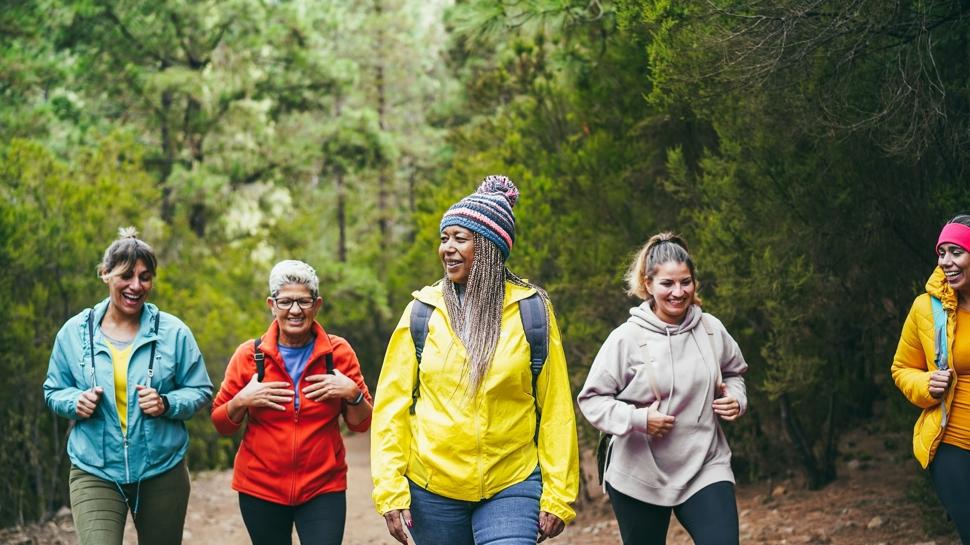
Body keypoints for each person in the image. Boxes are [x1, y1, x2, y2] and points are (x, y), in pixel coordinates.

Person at [371, 175, 579, 545]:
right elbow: (391, 408)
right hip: (433, 486)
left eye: (459, 238)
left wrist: (559, 494)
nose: (447, 248)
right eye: (444, 238)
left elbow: (556, 408)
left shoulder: (531, 311)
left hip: (511, 480)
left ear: (488, 247)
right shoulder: (423, 312)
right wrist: (390, 489)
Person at [43, 227, 213, 545]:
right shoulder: (74, 333)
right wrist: (74, 402)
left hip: (162, 470)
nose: (136, 286)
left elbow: (200, 389)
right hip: (95, 468)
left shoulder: (173, 332)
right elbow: (53, 390)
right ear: (105, 274)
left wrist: (167, 403)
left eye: (145, 277)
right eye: (126, 276)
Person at [577, 232, 748, 545]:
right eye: (667, 284)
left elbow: (734, 372)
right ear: (648, 284)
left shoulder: (711, 329)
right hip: (640, 473)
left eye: (686, 282)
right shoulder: (625, 338)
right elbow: (592, 399)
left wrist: (737, 399)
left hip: (704, 464)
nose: (678, 292)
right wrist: (639, 420)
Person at [211, 259, 372, 545]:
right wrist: (242, 400)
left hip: (323, 486)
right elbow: (221, 423)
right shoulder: (249, 356)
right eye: (285, 302)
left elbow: (363, 424)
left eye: (303, 302)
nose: (295, 311)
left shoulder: (338, 353)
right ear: (271, 305)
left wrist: (352, 393)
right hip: (260, 487)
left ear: (317, 304)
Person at [892, 214, 970, 544]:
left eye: (957, 252)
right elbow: (901, 368)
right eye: (942, 253)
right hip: (951, 440)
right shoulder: (926, 308)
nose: (947, 262)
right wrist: (927, 385)